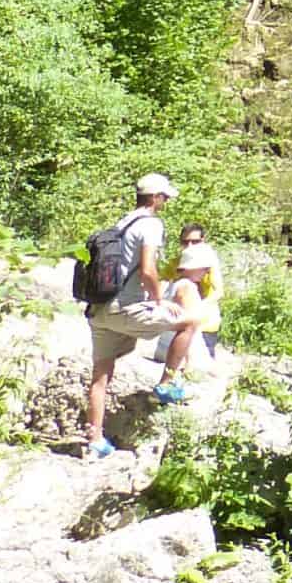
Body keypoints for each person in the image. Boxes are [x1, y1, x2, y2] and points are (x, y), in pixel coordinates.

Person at [84, 174, 194, 458]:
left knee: (101, 375)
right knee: (189, 321)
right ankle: (166, 384)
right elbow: (147, 270)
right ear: (155, 198)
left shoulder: (123, 222)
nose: (166, 201)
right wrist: (159, 301)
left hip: (100, 308)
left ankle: (94, 440)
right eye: (165, 197)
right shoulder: (151, 225)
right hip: (127, 308)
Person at [172, 225, 223, 358]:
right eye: (185, 242)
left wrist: (197, 308)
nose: (190, 245)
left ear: (203, 240)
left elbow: (218, 292)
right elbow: (163, 282)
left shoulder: (209, 261)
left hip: (206, 322)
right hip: (182, 322)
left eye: (195, 241)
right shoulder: (179, 261)